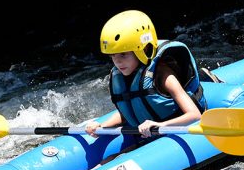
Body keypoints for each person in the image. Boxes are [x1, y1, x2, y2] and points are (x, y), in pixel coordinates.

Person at [86, 9, 207, 138]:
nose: (118, 62)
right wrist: (102, 126)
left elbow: (194, 114)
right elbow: (131, 110)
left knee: (121, 156)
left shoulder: (163, 75)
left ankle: (207, 77)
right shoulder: (125, 74)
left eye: (123, 54)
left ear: (144, 49)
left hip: (177, 131)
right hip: (151, 134)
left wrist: (161, 125)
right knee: (109, 159)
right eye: (113, 56)